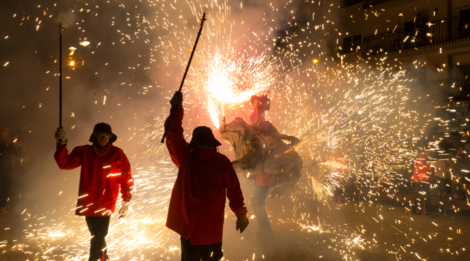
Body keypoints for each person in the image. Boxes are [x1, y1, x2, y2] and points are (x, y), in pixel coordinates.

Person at [165, 91, 249, 261]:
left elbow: (234, 189)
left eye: (206, 146)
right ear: (194, 145)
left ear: (213, 145)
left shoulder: (219, 162)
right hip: (193, 226)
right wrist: (176, 110)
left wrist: (241, 212)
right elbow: (174, 134)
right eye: (200, 146)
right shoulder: (186, 157)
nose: (203, 149)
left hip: (208, 226)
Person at [54, 123, 134, 261]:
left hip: (106, 202)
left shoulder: (117, 153)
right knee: (96, 235)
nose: (103, 138)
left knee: (98, 235)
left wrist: (126, 199)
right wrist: (61, 144)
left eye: (106, 135)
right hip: (88, 202)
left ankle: (96, 259)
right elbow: (64, 164)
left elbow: (125, 176)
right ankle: (104, 257)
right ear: (94, 136)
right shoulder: (84, 151)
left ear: (110, 137)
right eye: (100, 135)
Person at [248, 95, 300, 235]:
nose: (252, 112)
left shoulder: (265, 125)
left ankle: (265, 230)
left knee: (257, 200)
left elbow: (276, 138)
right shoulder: (259, 124)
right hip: (264, 166)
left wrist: (289, 138)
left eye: (254, 107)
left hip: (267, 167)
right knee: (257, 200)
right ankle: (265, 229)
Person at [0, 127, 22, 213]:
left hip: (7, 171)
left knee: (6, 189)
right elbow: (4, 149)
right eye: (3, 134)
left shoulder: (7, 145)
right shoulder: (4, 145)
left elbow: (17, 153)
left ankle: (2, 205)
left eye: (6, 134)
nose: (5, 136)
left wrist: (19, 146)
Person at [412, 150, 434, 217]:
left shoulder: (425, 158)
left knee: (421, 196)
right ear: (425, 152)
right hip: (422, 180)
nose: (429, 153)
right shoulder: (421, 158)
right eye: (428, 152)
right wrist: (429, 165)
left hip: (424, 179)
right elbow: (421, 168)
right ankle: (424, 212)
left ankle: (417, 211)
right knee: (424, 196)